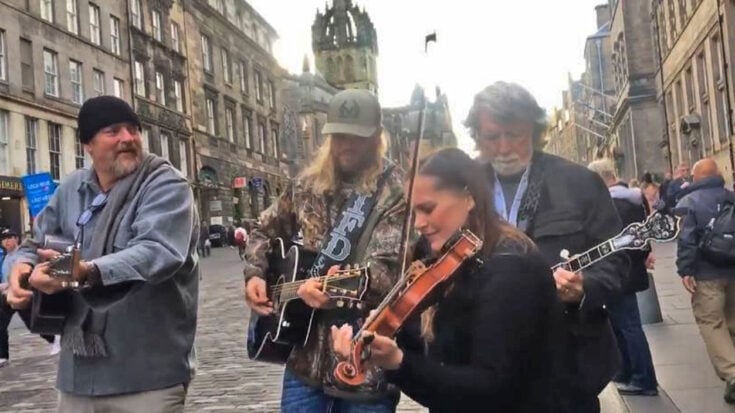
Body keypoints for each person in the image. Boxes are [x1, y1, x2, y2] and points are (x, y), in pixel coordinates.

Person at [5, 95, 199, 412]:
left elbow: (157, 251)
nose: (127, 138)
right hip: (77, 376)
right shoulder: (70, 188)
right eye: (113, 131)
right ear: (88, 145)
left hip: (147, 376)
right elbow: (32, 243)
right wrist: (20, 269)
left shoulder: (166, 185)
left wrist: (84, 271)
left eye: (133, 130)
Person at [331, 148, 560, 412]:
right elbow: (434, 355)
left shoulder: (511, 266)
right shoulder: (444, 259)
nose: (418, 223)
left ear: (469, 198)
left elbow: (491, 387)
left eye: (428, 209)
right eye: (413, 212)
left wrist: (400, 363)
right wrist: (375, 341)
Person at [466, 81, 628, 413]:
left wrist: (585, 289)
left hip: (565, 363)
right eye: (492, 137)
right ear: (477, 137)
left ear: (536, 132)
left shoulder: (580, 182)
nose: (504, 146)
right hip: (484, 362)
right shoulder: (460, 187)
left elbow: (618, 258)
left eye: (516, 135)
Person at [243, 89, 406, 412]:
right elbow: (263, 229)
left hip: (364, 362)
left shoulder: (395, 191)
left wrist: (337, 289)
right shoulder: (306, 185)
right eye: (340, 135)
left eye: (356, 136)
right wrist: (255, 273)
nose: (347, 144)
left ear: (376, 137)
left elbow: (390, 271)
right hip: (304, 357)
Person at [588, 159, 658, 396]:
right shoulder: (634, 200)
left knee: (628, 326)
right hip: (630, 269)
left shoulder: (612, 204)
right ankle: (626, 370)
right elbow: (643, 236)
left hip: (618, 271)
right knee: (621, 324)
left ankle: (643, 378)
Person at [675, 158, 735, 403]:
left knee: (711, 323)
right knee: (732, 323)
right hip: (733, 270)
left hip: (706, 273)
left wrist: (685, 270)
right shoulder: (731, 196)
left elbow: (687, 239)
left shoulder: (689, 202)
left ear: (696, 178)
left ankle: (732, 374)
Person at [0, 229, 57, 367]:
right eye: (4, 239)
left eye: (10, 238)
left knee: (33, 321)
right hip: (7, 294)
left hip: (25, 291)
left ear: (17, 239)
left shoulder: (24, 254)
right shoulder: (4, 258)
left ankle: (55, 338)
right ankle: (2, 355)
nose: (7, 241)